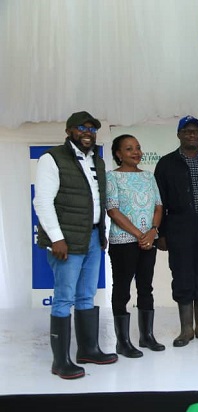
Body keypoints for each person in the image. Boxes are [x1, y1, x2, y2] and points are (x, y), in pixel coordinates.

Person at [33, 111, 118, 379]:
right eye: (82, 128)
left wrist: (101, 234)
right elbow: (42, 202)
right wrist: (57, 238)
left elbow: (98, 201)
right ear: (70, 131)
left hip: (93, 236)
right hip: (66, 239)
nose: (87, 132)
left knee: (86, 295)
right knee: (63, 298)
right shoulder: (52, 158)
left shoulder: (98, 161)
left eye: (92, 129)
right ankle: (60, 362)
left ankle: (88, 350)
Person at [154, 115, 198, 347]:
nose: (192, 135)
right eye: (187, 131)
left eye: (196, 131)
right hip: (178, 228)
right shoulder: (166, 163)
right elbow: (158, 201)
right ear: (179, 134)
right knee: (181, 276)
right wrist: (161, 233)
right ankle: (186, 330)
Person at [106, 134, 166, 358]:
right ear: (119, 154)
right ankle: (122, 342)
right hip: (123, 242)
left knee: (145, 287)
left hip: (148, 240)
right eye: (129, 149)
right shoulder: (111, 177)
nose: (136, 152)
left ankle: (146, 336)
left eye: (138, 148)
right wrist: (140, 235)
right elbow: (112, 210)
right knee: (122, 289)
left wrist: (152, 232)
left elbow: (159, 206)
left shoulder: (149, 177)